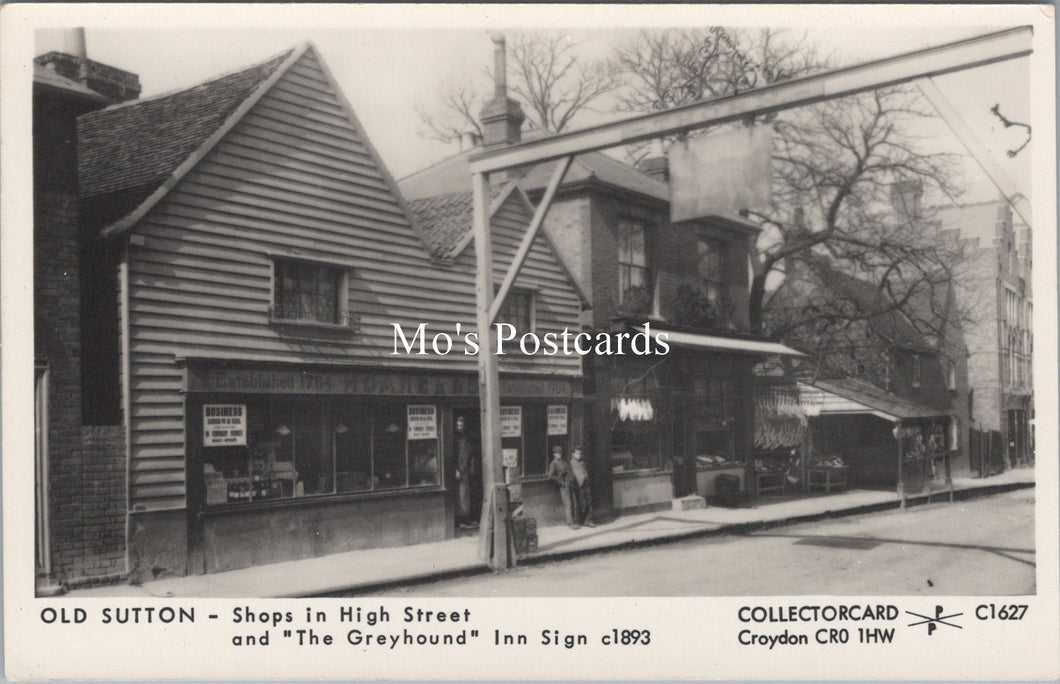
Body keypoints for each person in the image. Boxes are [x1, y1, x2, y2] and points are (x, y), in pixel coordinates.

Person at [454, 416, 477, 529]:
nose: (460, 427)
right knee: (459, 495)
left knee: (466, 495)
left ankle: (466, 518)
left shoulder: (467, 438)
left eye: (461, 425)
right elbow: (452, 455)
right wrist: (455, 469)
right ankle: (459, 520)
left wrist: (472, 466)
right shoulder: (454, 438)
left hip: (466, 470)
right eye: (458, 425)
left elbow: (471, 453)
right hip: (459, 470)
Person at [546, 445, 576, 528]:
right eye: (557, 453)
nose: (559, 454)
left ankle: (575, 520)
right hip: (563, 484)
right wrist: (560, 481)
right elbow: (550, 475)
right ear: (554, 454)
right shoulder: (553, 463)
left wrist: (572, 478)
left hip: (569, 482)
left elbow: (568, 470)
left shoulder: (563, 461)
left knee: (573, 502)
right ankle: (570, 522)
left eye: (560, 453)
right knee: (568, 503)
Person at [569, 445, 596, 527]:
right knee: (578, 503)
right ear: (573, 454)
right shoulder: (571, 463)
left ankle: (588, 520)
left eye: (580, 453)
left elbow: (584, 471)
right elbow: (570, 475)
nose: (579, 455)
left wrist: (587, 478)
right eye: (577, 453)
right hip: (578, 485)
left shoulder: (582, 462)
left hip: (586, 483)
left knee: (589, 501)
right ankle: (577, 521)